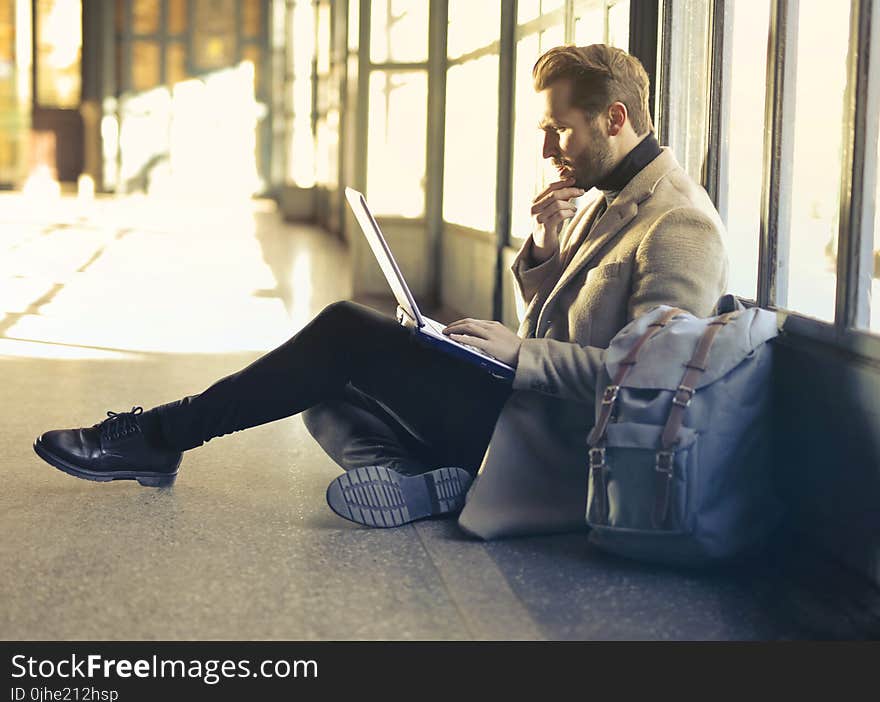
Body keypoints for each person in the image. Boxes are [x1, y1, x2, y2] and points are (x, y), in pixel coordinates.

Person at [32, 44, 727, 538]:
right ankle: (425, 477)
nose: (549, 149)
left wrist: (519, 355)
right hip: (521, 406)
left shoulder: (680, 224)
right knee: (323, 390)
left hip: (557, 448)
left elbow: (654, 390)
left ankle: (160, 434)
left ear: (613, 119)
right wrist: (544, 253)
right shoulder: (608, 196)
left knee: (341, 331)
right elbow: (566, 328)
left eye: (560, 129)